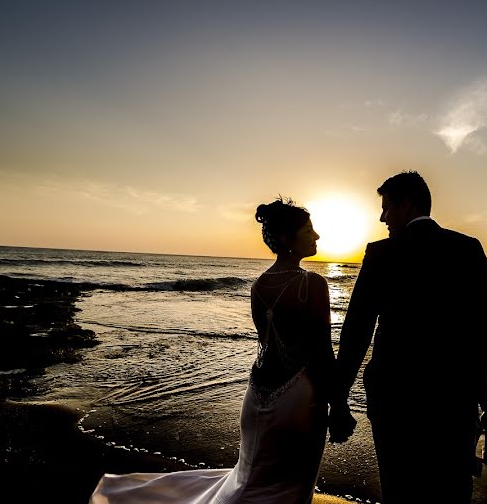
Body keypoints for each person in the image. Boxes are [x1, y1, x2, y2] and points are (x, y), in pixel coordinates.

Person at [90, 197, 354, 504]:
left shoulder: (259, 285)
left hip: (256, 396)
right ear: (286, 238)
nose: (317, 236)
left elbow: (269, 344)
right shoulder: (313, 284)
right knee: (290, 488)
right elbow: (321, 354)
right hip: (298, 403)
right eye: (310, 229)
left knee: (252, 480)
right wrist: (340, 407)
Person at [330, 171, 487, 503]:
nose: (382, 218)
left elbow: (357, 331)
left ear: (406, 206)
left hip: (394, 399)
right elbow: (484, 328)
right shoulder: (468, 249)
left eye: (386, 208)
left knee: (399, 488)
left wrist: (339, 399)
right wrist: (480, 395)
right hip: (454, 401)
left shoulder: (381, 254)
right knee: (451, 490)